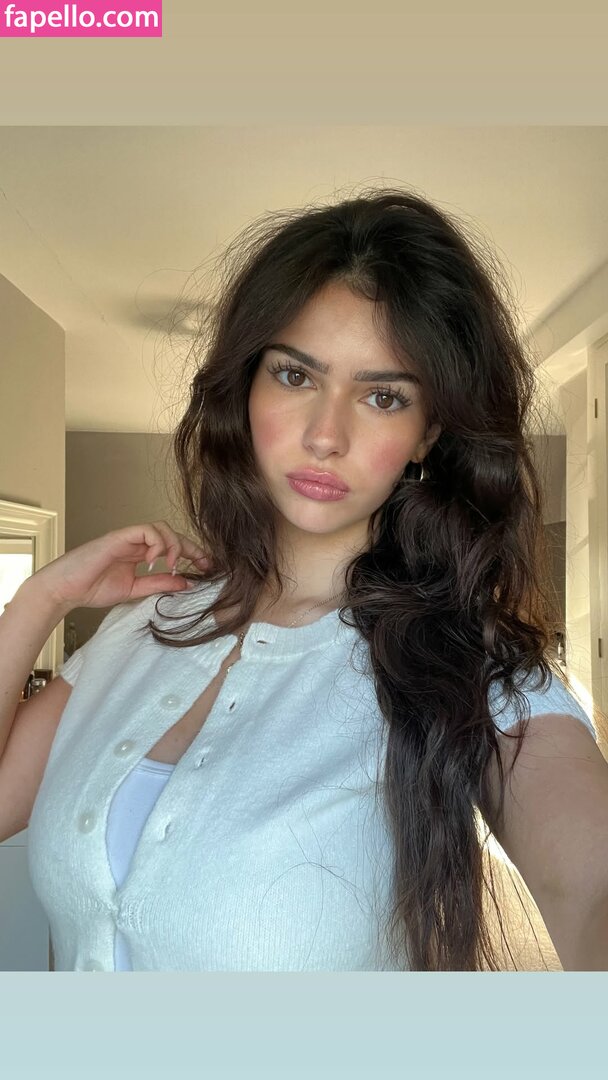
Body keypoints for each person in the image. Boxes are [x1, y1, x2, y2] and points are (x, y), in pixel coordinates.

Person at [1, 187, 607, 972]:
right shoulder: (140, 631)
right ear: (247, 386)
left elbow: (588, 887)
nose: (326, 435)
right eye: (295, 376)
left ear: (427, 433)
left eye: (382, 396)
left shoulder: (472, 666)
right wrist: (39, 599)